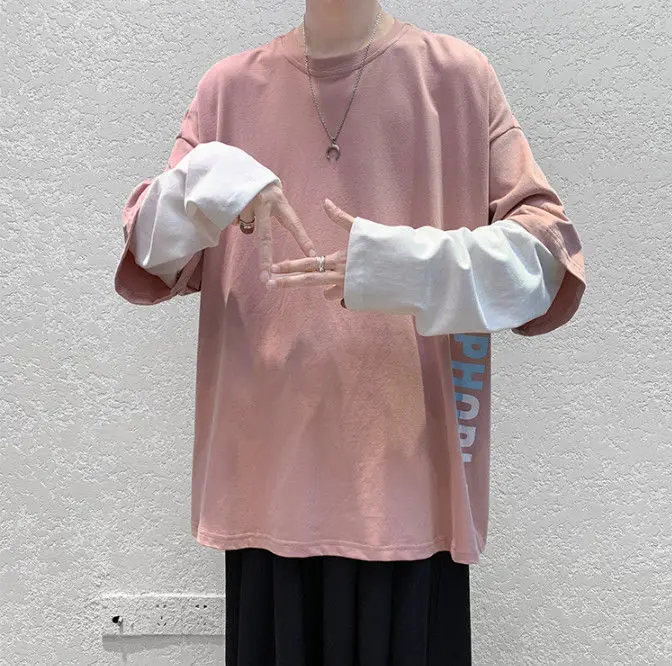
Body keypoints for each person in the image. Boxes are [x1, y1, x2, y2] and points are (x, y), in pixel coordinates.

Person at [114, 2, 586, 664]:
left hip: (411, 489)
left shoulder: (457, 79)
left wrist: (404, 267)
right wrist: (211, 180)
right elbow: (149, 252)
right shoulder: (228, 91)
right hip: (268, 490)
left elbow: (547, 263)